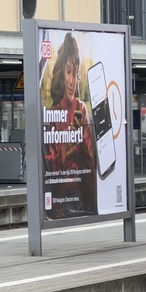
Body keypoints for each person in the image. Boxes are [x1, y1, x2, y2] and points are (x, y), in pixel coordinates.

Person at [43, 33, 97, 217]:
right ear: (61, 73)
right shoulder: (54, 112)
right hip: (61, 195)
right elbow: (54, 164)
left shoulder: (81, 108)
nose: (72, 81)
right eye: (68, 71)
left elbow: (89, 158)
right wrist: (68, 145)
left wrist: (79, 138)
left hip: (83, 189)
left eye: (75, 72)